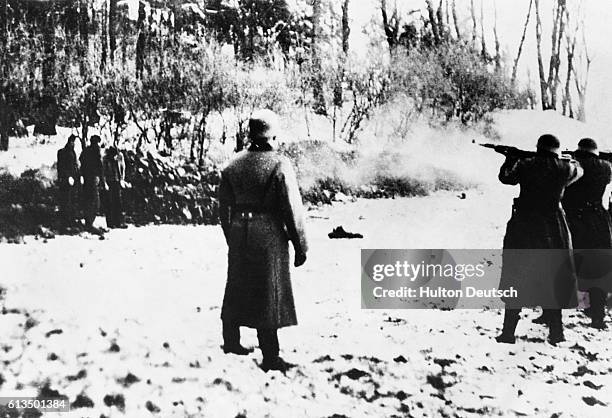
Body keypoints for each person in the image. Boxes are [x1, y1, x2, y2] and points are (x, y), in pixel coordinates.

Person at [218, 109, 308, 372]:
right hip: (267, 232)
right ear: (272, 136)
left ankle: (231, 341)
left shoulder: (231, 164)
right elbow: (292, 209)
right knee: (268, 292)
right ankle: (270, 355)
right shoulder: (280, 164)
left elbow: (223, 210)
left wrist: (232, 235)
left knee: (236, 285)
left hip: (238, 230)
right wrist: (300, 245)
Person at [497, 134, 583, 344]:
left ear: (538, 147)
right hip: (553, 226)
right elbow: (578, 172)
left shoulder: (526, 165)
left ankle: (508, 333)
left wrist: (511, 157)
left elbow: (506, 177)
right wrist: (564, 159)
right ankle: (556, 333)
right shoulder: (565, 168)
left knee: (516, 276)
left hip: (525, 225)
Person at [562, 138, 612, 330]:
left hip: (576, 220)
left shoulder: (575, 166)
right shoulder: (606, 168)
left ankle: (552, 313)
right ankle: (597, 316)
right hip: (599, 221)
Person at [80, 135, 105, 232]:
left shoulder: (86, 150)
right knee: (94, 202)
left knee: (88, 200)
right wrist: (100, 177)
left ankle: (88, 222)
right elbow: (99, 165)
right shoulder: (96, 151)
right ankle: (89, 224)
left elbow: (81, 161)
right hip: (93, 179)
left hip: (87, 179)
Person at [56, 134, 80, 229]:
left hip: (73, 180)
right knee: (66, 201)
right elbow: (62, 167)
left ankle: (71, 220)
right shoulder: (63, 152)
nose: (73, 144)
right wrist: (68, 176)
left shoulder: (72, 152)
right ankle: (66, 222)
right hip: (67, 181)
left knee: (72, 200)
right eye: (72, 142)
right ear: (69, 142)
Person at [103, 146, 127, 229]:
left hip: (116, 181)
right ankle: (110, 223)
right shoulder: (105, 159)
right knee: (110, 203)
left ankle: (118, 222)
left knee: (118, 202)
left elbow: (122, 169)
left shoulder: (119, 158)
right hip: (109, 182)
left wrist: (122, 179)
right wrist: (105, 183)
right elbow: (103, 172)